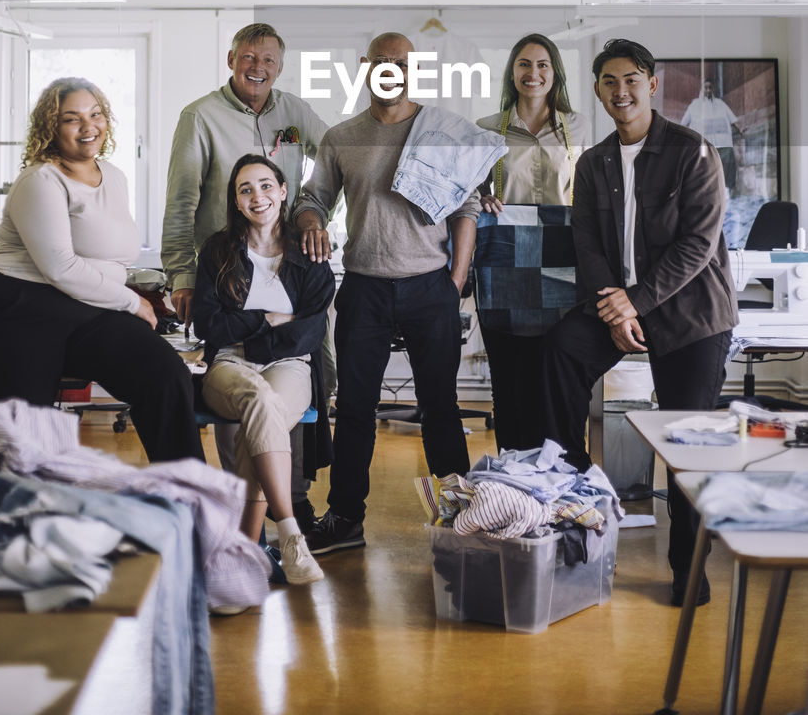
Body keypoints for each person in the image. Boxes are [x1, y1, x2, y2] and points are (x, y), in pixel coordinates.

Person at [541, 39, 738, 606]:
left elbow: (698, 244)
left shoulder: (692, 151)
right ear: (599, 89)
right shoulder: (596, 161)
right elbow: (588, 242)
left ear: (651, 84)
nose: (619, 91)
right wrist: (613, 304)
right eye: (608, 81)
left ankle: (687, 569)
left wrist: (635, 303)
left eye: (630, 80)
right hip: (617, 302)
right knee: (562, 349)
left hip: (691, 312)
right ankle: (573, 514)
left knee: (684, 439)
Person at [294, 32, 480, 557]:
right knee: (353, 406)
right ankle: (346, 517)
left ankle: (462, 512)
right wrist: (310, 219)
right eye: (380, 63)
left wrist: (456, 278)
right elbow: (314, 197)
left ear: (412, 68)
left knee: (440, 405)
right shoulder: (342, 136)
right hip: (364, 287)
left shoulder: (439, 133)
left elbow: (465, 208)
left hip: (430, 286)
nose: (390, 70)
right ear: (365, 68)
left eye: (399, 63)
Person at [0, 78, 203, 464]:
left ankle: (190, 504)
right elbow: (61, 267)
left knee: (165, 376)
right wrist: (132, 302)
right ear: (51, 128)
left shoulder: (115, 176)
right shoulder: (41, 179)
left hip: (85, 309)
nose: (88, 127)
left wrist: (138, 296)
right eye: (72, 119)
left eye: (96, 114)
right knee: (27, 448)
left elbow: (107, 257)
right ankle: (20, 520)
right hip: (16, 311)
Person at [162, 21, 329, 528]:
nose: (259, 68)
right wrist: (181, 275)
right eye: (249, 58)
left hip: (286, 264)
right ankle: (247, 506)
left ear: (281, 65)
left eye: (269, 60)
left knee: (299, 378)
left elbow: (335, 158)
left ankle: (290, 496)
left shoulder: (294, 113)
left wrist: (312, 212)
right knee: (238, 391)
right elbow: (181, 202)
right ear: (231, 59)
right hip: (224, 273)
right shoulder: (201, 116)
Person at [192, 154, 334, 585]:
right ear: (236, 201)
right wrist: (270, 320)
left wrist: (252, 330)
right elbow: (209, 324)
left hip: (290, 365)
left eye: (266, 185)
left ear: (284, 190)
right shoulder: (218, 251)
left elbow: (309, 333)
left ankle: (238, 561)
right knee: (259, 399)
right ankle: (291, 536)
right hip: (228, 364)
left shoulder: (308, 252)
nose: (258, 196)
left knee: (265, 408)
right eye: (246, 189)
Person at [475, 33, 591, 451]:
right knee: (510, 381)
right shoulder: (488, 130)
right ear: (512, 72)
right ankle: (515, 478)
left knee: (557, 376)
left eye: (542, 65)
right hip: (507, 267)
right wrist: (482, 196)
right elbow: (465, 194)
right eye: (524, 64)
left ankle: (563, 474)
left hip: (566, 264)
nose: (533, 73)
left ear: (555, 72)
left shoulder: (579, 128)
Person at [680, 78, 743, 191]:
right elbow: (684, 123)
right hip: (703, 144)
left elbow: (733, 120)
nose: (708, 90)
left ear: (713, 89)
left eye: (710, 88)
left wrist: (741, 129)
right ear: (702, 89)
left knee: (727, 167)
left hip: (723, 143)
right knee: (703, 169)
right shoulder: (694, 105)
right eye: (706, 87)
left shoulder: (720, 103)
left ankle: (730, 192)